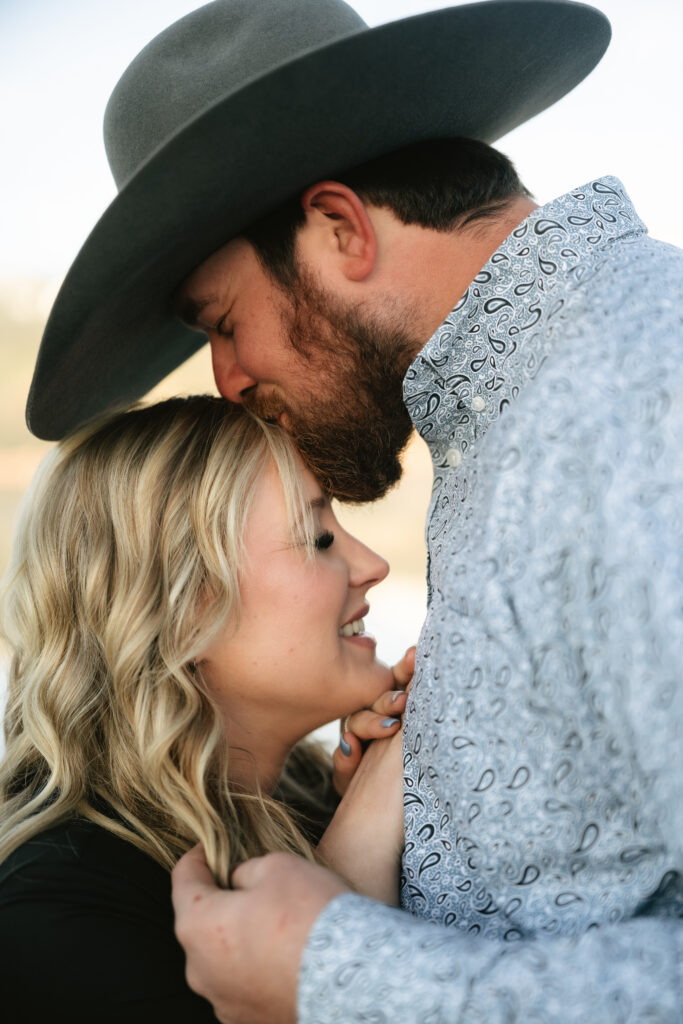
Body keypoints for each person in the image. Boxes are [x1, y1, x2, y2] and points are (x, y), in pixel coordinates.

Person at [23, 1, 682, 1022]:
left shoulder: (641, 397)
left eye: (222, 321)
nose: (226, 379)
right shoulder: (526, 418)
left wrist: (334, 971)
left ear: (340, 230)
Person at [0, 395, 414, 1023]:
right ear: (184, 609)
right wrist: (361, 843)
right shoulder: (59, 909)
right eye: (319, 537)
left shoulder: (315, 799)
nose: (373, 565)